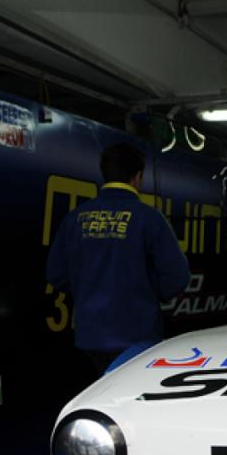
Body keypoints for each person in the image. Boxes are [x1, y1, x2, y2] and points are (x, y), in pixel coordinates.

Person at [47, 142, 189, 374]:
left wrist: (89, 290)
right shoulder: (149, 218)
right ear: (138, 177)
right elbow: (177, 277)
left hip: (90, 336)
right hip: (138, 335)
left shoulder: (75, 219)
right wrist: (150, 293)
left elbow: (56, 274)